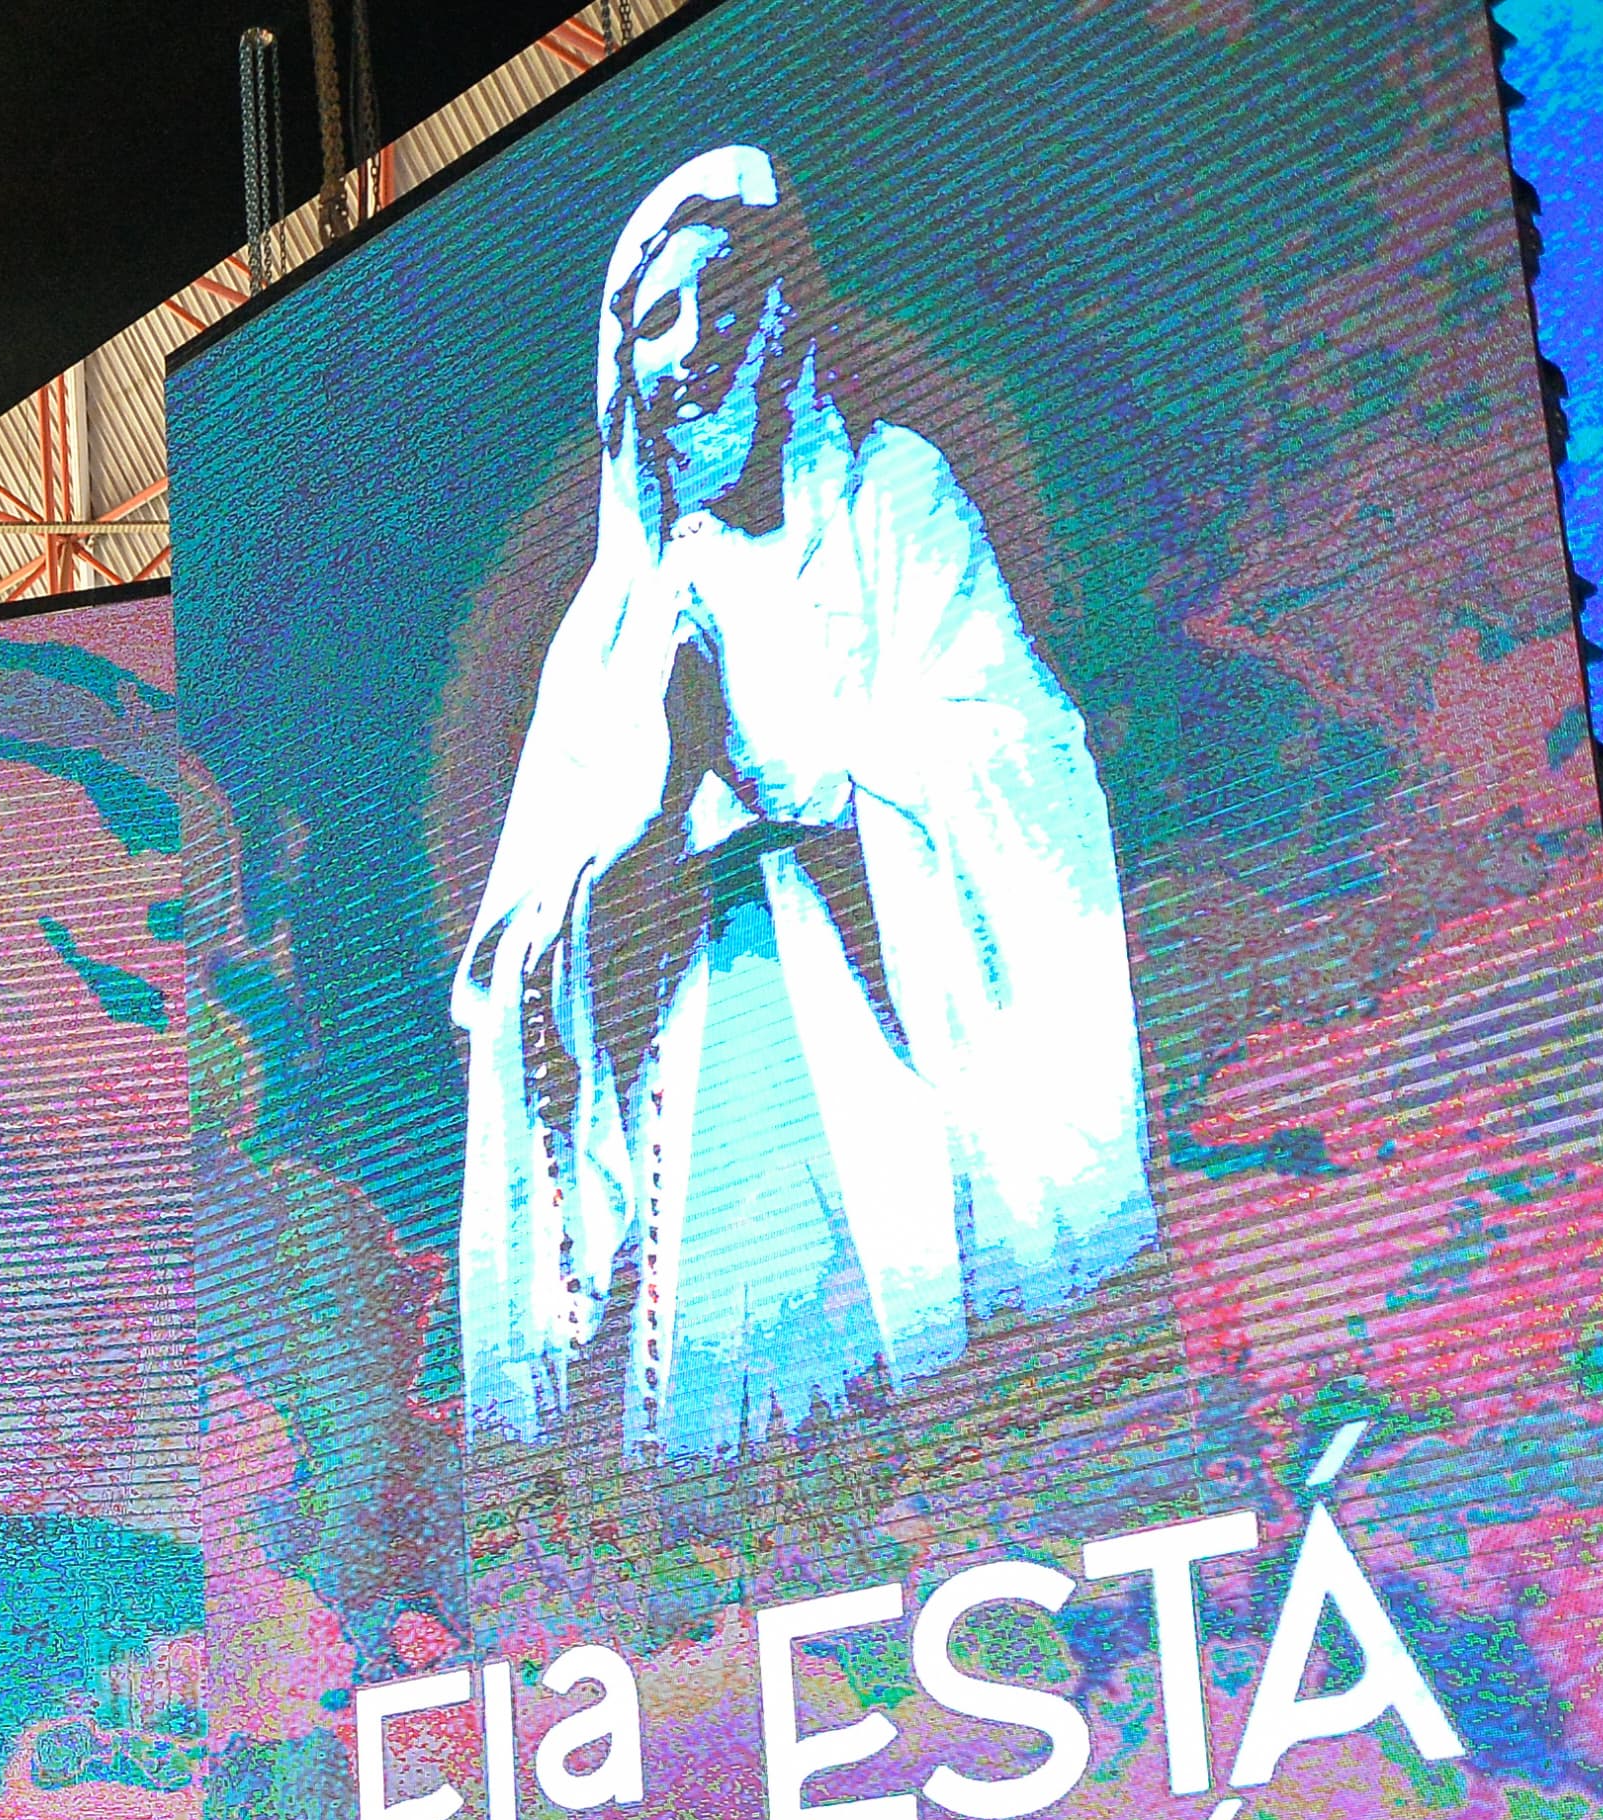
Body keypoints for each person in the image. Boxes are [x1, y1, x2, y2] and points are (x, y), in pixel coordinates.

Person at [449, 146, 1149, 1476]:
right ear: (626, 378)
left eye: (732, 297)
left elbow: (1021, 769)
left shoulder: (895, 500)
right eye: (661, 319)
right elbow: (510, 982)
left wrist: (799, 789)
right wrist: (657, 809)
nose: (698, 346)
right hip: (706, 1158)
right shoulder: (605, 634)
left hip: (907, 1093)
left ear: (789, 314)